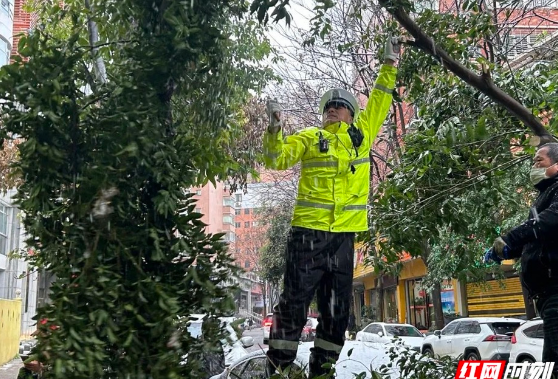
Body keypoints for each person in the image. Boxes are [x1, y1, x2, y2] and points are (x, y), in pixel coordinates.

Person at [263, 36, 401, 378]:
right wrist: (275, 129)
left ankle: (322, 371)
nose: (332, 109)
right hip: (308, 235)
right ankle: (277, 369)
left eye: (339, 106)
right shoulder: (311, 138)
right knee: (293, 304)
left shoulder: (363, 136)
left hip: (342, 240)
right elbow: (276, 158)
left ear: (352, 114)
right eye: (329, 106)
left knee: (337, 311)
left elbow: (381, 101)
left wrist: (390, 65)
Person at [489, 142, 558, 377]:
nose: (534, 166)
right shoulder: (545, 195)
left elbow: (547, 223)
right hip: (548, 293)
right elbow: (538, 238)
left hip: (556, 290)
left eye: (540, 160)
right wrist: (508, 250)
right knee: (551, 360)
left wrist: (510, 238)